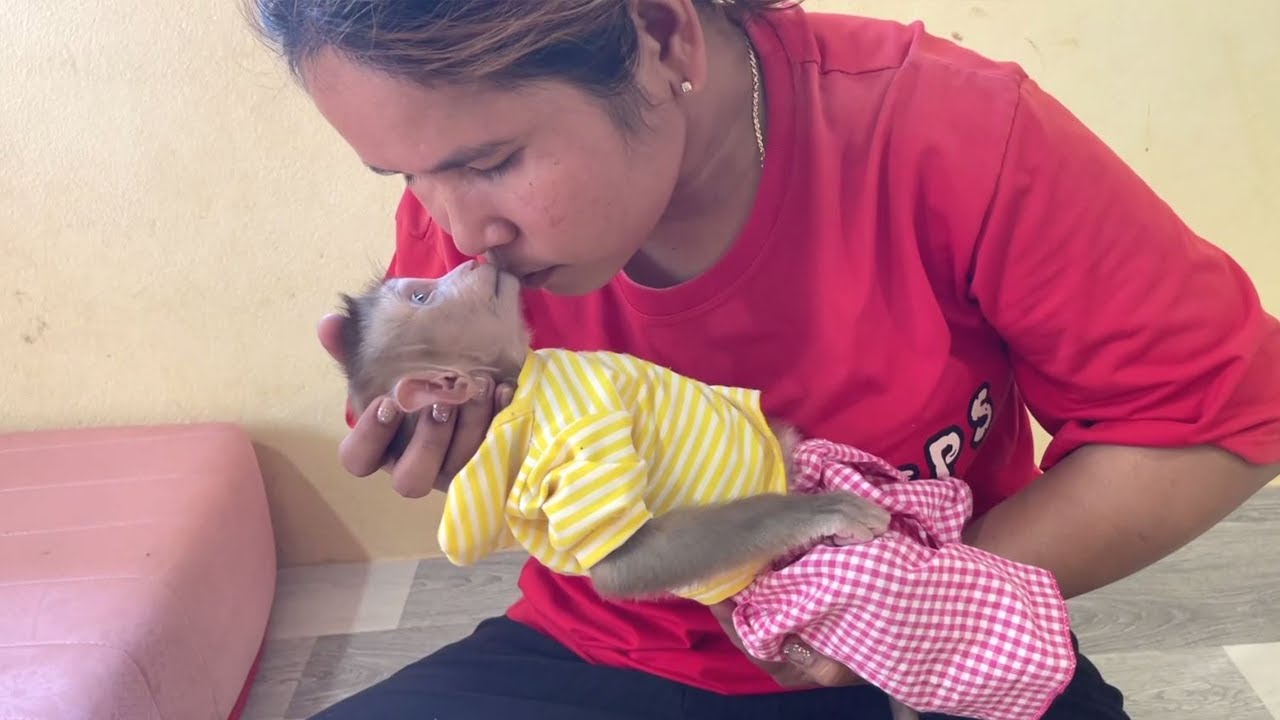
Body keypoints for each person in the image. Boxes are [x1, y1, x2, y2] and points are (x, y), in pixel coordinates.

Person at [246, 1, 1280, 718]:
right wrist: (421, 413)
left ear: (658, 34)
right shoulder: (468, 246)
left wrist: (924, 601)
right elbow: (468, 435)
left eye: (488, 162)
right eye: (408, 176)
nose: (459, 232)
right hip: (613, 651)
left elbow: (1213, 413)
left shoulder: (946, 134)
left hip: (914, 655)